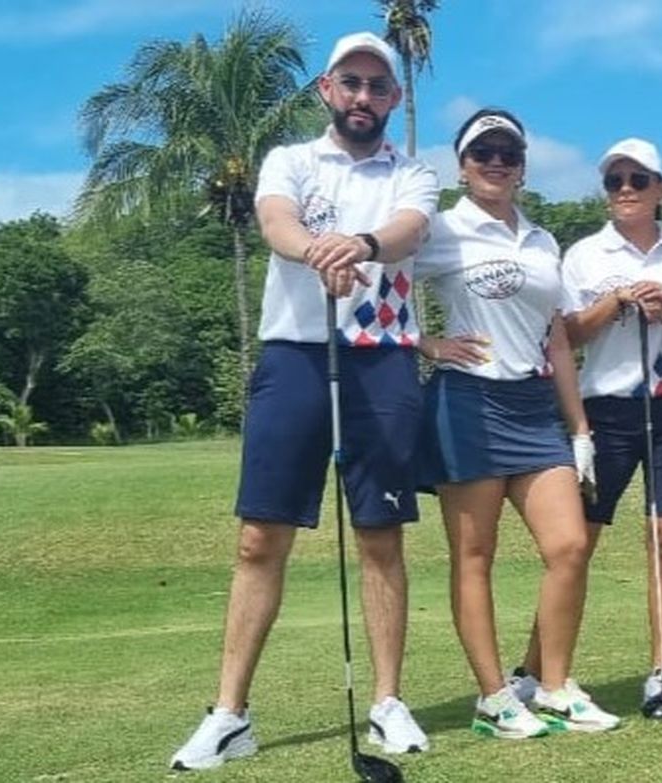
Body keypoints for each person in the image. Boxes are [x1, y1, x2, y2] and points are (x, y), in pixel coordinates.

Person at [170, 32, 438, 771]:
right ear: (327, 89)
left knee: (380, 533)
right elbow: (277, 221)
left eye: (377, 86)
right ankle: (229, 713)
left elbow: (408, 229)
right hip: (295, 352)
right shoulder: (290, 159)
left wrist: (355, 243)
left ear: (395, 98)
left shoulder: (412, 171)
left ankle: (386, 701)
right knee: (261, 536)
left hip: (381, 359)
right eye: (350, 82)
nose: (363, 96)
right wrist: (316, 249)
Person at [412, 108, 621, 739]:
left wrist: (579, 427)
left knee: (569, 547)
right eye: (483, 153)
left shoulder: (541, 239)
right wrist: (428, 343)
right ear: (463, 164)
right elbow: (378, 288)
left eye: (508, 153)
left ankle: (553, 687)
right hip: (466, 404)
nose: (496, 162)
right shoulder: (441, 230)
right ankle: (494, 698)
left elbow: (556, 338)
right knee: (474, 555)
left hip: (533, 409)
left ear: (523, 165)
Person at [509, 138, 662, 719]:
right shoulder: (584, 255)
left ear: (660, 189)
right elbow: (568, 336)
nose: (626, 189)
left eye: (638, 179)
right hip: (605, 412)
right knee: (575, 545)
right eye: (615, 181)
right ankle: (533, 670)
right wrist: (617, 301)